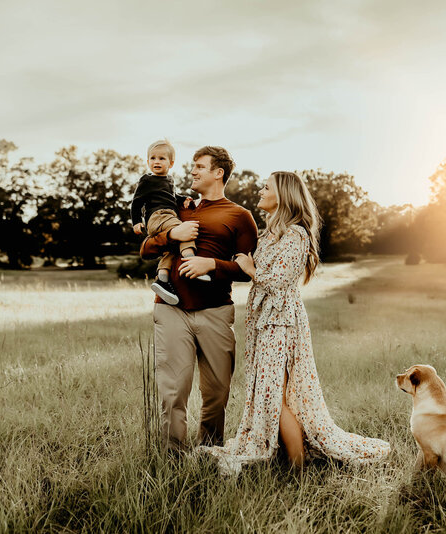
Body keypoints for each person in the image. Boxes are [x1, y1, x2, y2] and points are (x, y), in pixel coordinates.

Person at [197, 171, 391, 477]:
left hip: (281, 323)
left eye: (266, 188)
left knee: (279, 393)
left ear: (283, 196)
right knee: (269, 391)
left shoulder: (296, 235)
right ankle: (288, 457)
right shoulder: (269, 233)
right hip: (264, 321)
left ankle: (298, 469)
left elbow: (280, 281)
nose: (260, 191)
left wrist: (250, 269)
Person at [140, 146, 258, 453]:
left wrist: (213, 265)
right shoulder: (179, 209)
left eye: (199, 166)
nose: (192, 171)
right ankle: (173, 459)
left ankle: (210, 453)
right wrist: (171, 236)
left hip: (216, 312)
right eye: (192, 166)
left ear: (218, 173)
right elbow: (146, 249)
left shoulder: (240, 216)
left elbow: (249, 271)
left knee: (217, 392)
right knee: (173, 391)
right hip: (171, 310)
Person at [130, 139, 209, 306]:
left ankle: (162, 279)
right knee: (184, 231)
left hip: (167, 215)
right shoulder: (147, 180)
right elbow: (136, 202)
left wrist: (183, 199)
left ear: (171, 163)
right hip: (158, 215)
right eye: (153, 158)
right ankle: (191, 261)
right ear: (147, 162)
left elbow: (171, 196)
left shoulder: (170, 180)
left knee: (172, 250)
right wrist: (136, 221)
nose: (156, 162)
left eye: (161, 158)